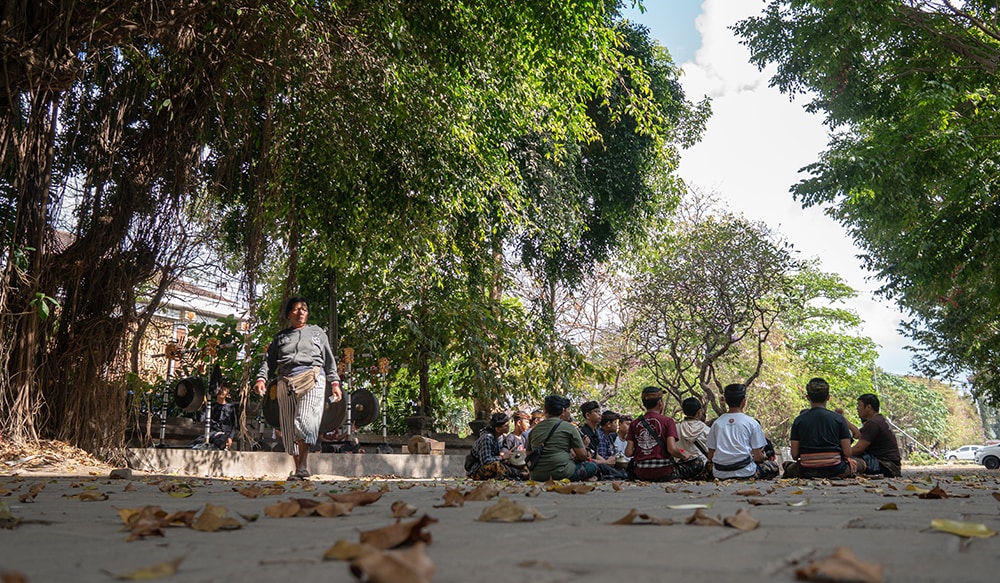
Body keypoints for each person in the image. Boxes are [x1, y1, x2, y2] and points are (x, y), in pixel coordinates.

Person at [254, 296, 341, 480]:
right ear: (288, 314)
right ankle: (298, 468)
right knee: (288, 427)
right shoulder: (281, 337)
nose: (300, 312)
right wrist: (261, 378)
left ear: (307, 313)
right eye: (296, 309)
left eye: (304, 309)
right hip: (286, 380)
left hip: (312, 377)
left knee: (304, 420)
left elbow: (329, 360)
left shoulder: (317, 333)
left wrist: (335, 383)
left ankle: (303, 466)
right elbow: (269, 362)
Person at [783, 378, 864, 479]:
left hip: (806, 470)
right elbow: (847, 452)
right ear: (828, 397)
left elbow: (795, 455)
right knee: (862, 464)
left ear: (808, 397)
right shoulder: (838, 419)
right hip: (836, 469)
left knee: (788, 466)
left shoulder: (799, 420)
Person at [625, 386, 705, 481]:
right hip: (665, 472)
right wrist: (685, 455)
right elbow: (672, 449)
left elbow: (628, 453)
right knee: (698, 462)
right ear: (660, 403)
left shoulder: (634, 423)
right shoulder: (668, 421)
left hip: (641, 473)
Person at [706, 384, 780, 480]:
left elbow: (710, 456)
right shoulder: (752, 423)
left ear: (726, 401)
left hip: (720, 473)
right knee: (773, 466)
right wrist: (763, 456)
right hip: (746, 472)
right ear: (744, 401)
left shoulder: (717, 423)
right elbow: (758, 457)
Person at [526, 395, 598, 482]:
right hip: (562, 473)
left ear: (545, 410)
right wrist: (584, 445)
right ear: (563, 410)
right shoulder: (569, 427)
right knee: (592, 466)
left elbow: (528, 454)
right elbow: (582, 456)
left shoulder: (534, 430)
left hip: (537, 475)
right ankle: (585, 478)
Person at [848, 393, 902, 477]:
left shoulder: (873, 423)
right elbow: (858, 434)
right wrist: (843, 420)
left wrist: (841, 454)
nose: (857, 409)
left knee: (849, 461)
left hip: (886, 465)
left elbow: (858, 449)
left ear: (868, 407)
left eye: (859, 406)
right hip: (892, 465)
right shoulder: (878, 420)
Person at [467, 412, 526, 480]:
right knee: (497, 466)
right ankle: (520, 475)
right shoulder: (487, 438)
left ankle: (520, 475)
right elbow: (486, 461)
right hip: (478, 470)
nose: (508, 427)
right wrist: (502, 457)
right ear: (497, 429)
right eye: (506, 426)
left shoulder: (500, 437)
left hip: (493, 466)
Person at [197, 384, 239, 450]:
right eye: (220, 390)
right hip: (212, 434)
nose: (221, 391)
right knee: (197, 442)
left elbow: (234, 424)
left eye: (224, 390)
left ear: (227, 393)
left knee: (220, 442)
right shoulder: (211, 406)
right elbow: (201, 419)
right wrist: (199, 408)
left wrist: (230, 437)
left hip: (224, 435)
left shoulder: (230, 407)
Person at [677, 397, 710, 462]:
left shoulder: (676, 428)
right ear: (699, 412)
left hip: (682, 465)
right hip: (703, 465)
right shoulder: (706, 429)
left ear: (683, 412)